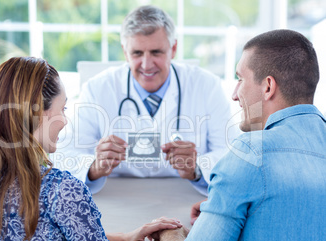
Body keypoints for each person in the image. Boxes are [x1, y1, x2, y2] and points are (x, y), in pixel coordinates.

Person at [0, 57, 183, 241]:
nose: (66, 121)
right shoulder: (62, 192)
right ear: (39, 113)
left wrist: (120, 239)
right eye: (63, 108)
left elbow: (33, 239)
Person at [157, 29, 326, 241]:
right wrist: (221, 204)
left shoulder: (250, 153)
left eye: (240, 79)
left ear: (268, 86)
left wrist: (169, 233)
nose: (235, 95)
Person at [56, 5, 238, 195]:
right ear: (125, 52)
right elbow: (64, 153)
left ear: (173, 48)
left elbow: (231, 153)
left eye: (156, 52)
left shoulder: (207, 86)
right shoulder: (97, 88)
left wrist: (198, 168)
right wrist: (94, 167)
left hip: (184, 195)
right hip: (118, 197)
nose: (146, 64)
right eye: (137, 53)